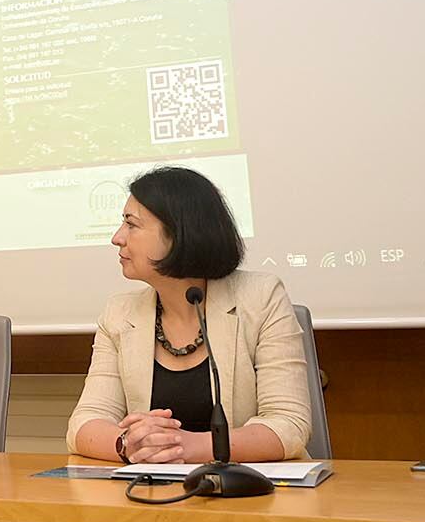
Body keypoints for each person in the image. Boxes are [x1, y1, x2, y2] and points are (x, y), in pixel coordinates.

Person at [67, 166, 311, 463]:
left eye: (132, 225)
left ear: (179, 234)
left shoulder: (261, 297)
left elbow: (289, 425)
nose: (117, 238)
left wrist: (186, 447)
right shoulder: (120, 313)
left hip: (251, 494)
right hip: (150, 494)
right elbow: (84, 423)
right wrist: (128, 445)